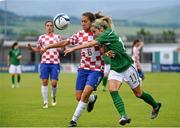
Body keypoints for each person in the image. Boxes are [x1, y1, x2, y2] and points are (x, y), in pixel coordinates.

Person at [64, 16, 162, 126]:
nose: (94, 34)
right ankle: (123, 116)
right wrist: (107, 53)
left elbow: (91, 44)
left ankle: (155, 105)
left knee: (139, 94)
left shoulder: (107, 34)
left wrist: (72, 48)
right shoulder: (104, 36)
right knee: (112, 90)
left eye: (94, 32)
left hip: (127, 67)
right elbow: (104, 50)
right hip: (115, 69)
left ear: (101, 29)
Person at [40, 12, 105, 127]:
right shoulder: (79, 34)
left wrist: (106, 50)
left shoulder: (99, 34)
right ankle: (92, 98)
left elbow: (103, 48)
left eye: (85, 21)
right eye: (82, 21)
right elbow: (65, 42)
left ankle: (73, 120)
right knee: (79, 97)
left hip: (96, 69)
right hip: (83, 69)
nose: (82, 23)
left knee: (84, 95)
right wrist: (48, 46)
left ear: (91, 22)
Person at [27, 20, 62, 109]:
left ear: (53, 27)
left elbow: (61, 48)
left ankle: (53, 96)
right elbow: (38, 49)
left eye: (51, 25)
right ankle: (45, 102)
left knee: (54, 83)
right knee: (44, 82)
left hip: (55, 63)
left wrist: (63, 47)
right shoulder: (41, 37)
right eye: (47, 25)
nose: (49, 27)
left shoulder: (58, 37)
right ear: (45, 27)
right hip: (44, 63)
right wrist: (31, 48)